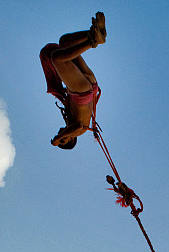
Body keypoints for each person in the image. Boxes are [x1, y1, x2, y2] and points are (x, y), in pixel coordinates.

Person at [40, 12, 106, 149]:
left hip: (89, 85)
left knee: (64, 42)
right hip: (82, 92)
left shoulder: (69, 118)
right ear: (71, 140)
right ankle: (93, 42)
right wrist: (59, 138)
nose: (59, 136)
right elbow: (78, 126)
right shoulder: (79, 131)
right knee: (57, 58)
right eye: (65, 141)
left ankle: (94, 34)